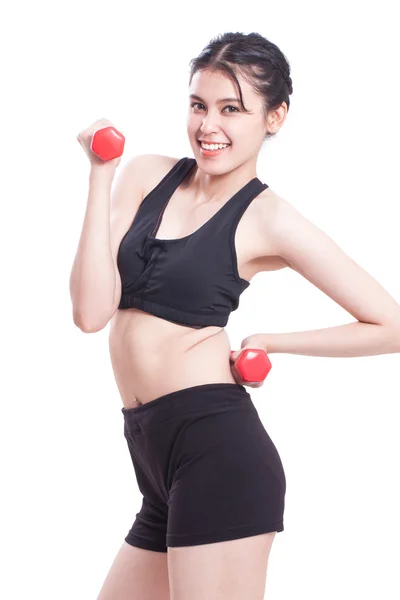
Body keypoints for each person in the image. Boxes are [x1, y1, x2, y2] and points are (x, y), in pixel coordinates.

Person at [70, 31, 400, 600]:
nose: (208, 126)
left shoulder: (270, 218)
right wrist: (101, 174)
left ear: (274, 118)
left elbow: (390, 324)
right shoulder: (146, 174)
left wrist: (274, 341)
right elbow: (90, 312)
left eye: (232, 110)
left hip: (216, 452)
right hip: (153, 461)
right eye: (198, 105)